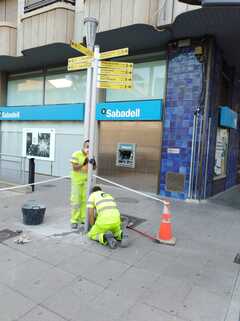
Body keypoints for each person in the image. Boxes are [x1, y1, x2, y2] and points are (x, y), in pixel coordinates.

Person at [70, 140, 96, 230]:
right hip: (77, 181)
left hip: (86, 182)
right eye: (87, 146)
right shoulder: (76, 154)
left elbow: (94, 168)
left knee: (85, 200)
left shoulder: (91, 155)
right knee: (76, 201)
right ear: (83, 146)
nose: (88, 149)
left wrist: (94, 163)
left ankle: (83, 218)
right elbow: (74, 168)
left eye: (90, 147)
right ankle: (74, 220)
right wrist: (84, 163)